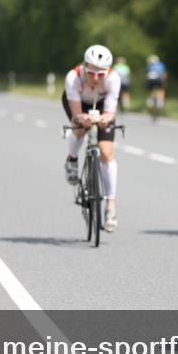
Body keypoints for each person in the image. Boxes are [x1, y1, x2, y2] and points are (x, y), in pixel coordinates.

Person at [62, 45, 122, 233]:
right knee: (79, 130)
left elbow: (110, 111)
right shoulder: (73, 78)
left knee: (106, 151)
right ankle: (72, 159)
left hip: (102, 104)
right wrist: (81, 118)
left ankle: (110, 207)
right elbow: (77, 114)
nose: (96, 78)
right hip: (78, 103)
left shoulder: (113, 79)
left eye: (101, 74)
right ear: (84, 67)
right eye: (91, 73)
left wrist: (106, 119)